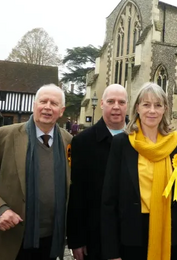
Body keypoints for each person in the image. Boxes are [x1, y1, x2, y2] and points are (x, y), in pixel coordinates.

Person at [0, 84, 72, 260]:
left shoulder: (67, 140)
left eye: (53, 103)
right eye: (43, 101)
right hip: (11, 238)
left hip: (50, 240)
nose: (47, 107)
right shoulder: (4, 136)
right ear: (34, 105)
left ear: (61, 111)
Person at [101, 82, 177, 260]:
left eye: (158, 105)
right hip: (131, 237)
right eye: (146, 105)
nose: (152, 110)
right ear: (137, 108)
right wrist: (111, 252)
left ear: (165, 109)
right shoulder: (122, 143)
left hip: (170, 235)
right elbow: (109, 200)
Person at [67, 84, 128, 260]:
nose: (116, 106)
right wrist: (76, 239)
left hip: (131, 233)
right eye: (111, 101)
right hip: (95, 234)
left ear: (128, 105)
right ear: (102, 104)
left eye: (121, 102)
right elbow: (77, 193)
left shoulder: (138, 139)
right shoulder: (83, 142)